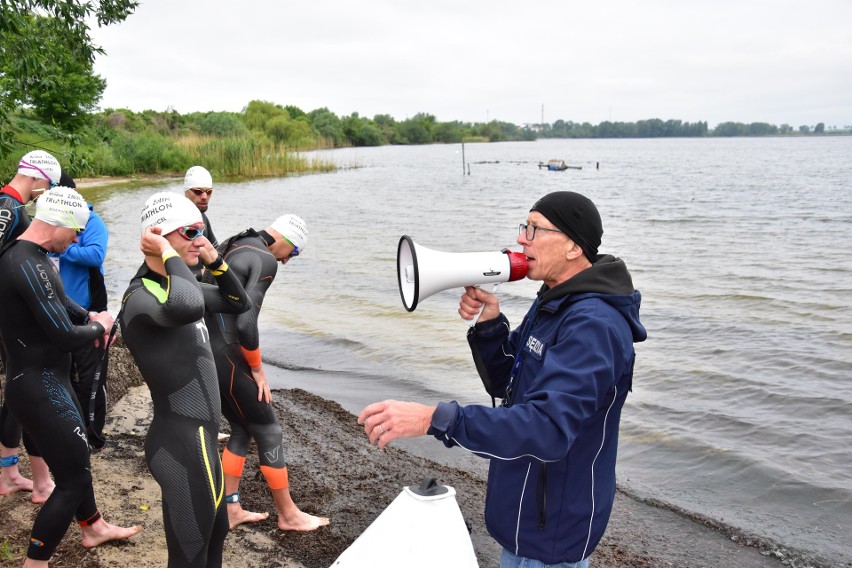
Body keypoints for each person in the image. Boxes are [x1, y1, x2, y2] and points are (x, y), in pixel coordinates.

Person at [358, 191, 647, 568]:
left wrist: (435, 418)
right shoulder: (555, 299)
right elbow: (507, 385)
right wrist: (490, 323)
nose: (522, 239)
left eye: (535, 229)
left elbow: (547, 429)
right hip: (528, 514)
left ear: (574, 246)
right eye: (523, 227)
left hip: (551, 530)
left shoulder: (592, 324)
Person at [0, 186, 142, 566]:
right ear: (59, 222)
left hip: (41, 382)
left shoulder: (34, 257)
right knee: (74, 479)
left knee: (73, 460)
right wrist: (102, 326)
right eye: (76, 230)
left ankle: (93, 526)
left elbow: (60, 303)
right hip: (39, 387)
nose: (78, 238)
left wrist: (89, 316)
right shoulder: (25, 263)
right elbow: (62, 335)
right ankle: (35, 564)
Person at [119, 192, 251, 567]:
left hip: (202, 441)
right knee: (189, 556)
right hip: (178, 444)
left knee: (215, 540)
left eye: (203, 230)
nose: (200, 238)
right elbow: (189, 305)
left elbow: (239, 304)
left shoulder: (181, 287)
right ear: (157, 235)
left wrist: (215, 260)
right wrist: (169, 253)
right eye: (190, 231)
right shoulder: (142, 299)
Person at [202, 214, 329, 531]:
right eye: (293, 252)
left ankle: (230, 509)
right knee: (269, 429)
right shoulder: (265, 260)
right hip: (228, 353)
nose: (287, 261)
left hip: (204, 349)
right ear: (286, 239)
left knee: (242, 428)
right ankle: (288, 515)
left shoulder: (234, 242)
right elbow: (246, 323)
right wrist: (257, 370)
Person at [0, 150, 61, 502]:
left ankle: (11, 472)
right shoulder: (8, 208)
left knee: (15, 393)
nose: (46, 191)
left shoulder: (13, 208)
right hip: (11, 319)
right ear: (37, 178)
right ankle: (39, 481)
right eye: (48, 185)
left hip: (12, 316)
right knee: (25, 389)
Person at [50, 173, 111, 451]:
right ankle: (70, 432)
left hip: (88, 308)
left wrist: (60, 249)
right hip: (55, 308)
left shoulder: (92, 221)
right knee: (63, 375)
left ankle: (93, 437)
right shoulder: (50, 224)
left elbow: (96, 255)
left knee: (91, 379)